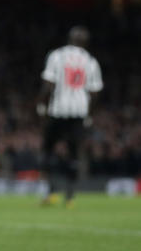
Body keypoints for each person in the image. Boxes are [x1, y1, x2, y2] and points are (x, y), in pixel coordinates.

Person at [38, 26, 103, 207]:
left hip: (57, 111)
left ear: (69, 39)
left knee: (48, 151)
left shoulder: (57, 56)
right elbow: (95, 92)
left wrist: (41, 107)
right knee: (74, 155)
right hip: (79, 112)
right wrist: (89, 114)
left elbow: (48, 84)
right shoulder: (91, 61)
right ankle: (70, 197)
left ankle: (50, 193)